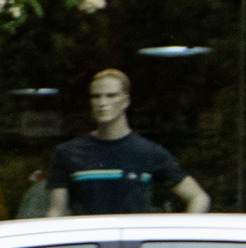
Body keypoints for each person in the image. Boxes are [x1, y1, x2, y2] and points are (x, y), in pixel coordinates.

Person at [48, 68, 212, 216]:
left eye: (111, 95)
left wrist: (177, 241)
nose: (102, 103)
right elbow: (57, 211)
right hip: (87, 246)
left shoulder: (148, 152)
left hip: (133, 246)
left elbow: (198, 197)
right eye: (96, 96)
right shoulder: (68, 153)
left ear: (125, 101)